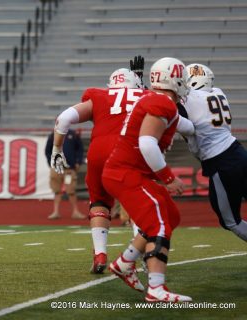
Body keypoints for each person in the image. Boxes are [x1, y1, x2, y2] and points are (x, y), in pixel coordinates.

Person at [102, 57, 192, 302]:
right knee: (158, 225)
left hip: (128, 172)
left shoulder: (158, 101)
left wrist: (204, 130)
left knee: (171, 216)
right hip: (126, 173)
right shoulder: (162, 103)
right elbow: (147, 143)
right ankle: (156, 289)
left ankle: (124, 263)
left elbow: (185, 125)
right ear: (175, 79)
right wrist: (169, 178)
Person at [51, 67, 147, 274]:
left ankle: (100, 254)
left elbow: (64, 118)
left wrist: (56, 148)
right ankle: (145, 255)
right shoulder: (146, 95)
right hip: (131, 150)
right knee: (139, 203)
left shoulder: (99, 96)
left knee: (99, 202)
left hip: (99, 152)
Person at [179, 63, 247, 242]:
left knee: (230, 221)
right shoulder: (218, 92)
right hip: (238, 152)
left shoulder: (189, 99)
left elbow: (166, 106)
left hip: (221, 163)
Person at [45, 129, 85, 220]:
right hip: (56, 168)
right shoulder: (53, 135)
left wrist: (78, 162)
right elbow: (47, 151)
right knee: (56, 190)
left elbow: (80, 149)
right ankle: (56, 211)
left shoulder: (73, 134)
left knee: (71, 191)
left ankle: (75, 211)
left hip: (69, 168)